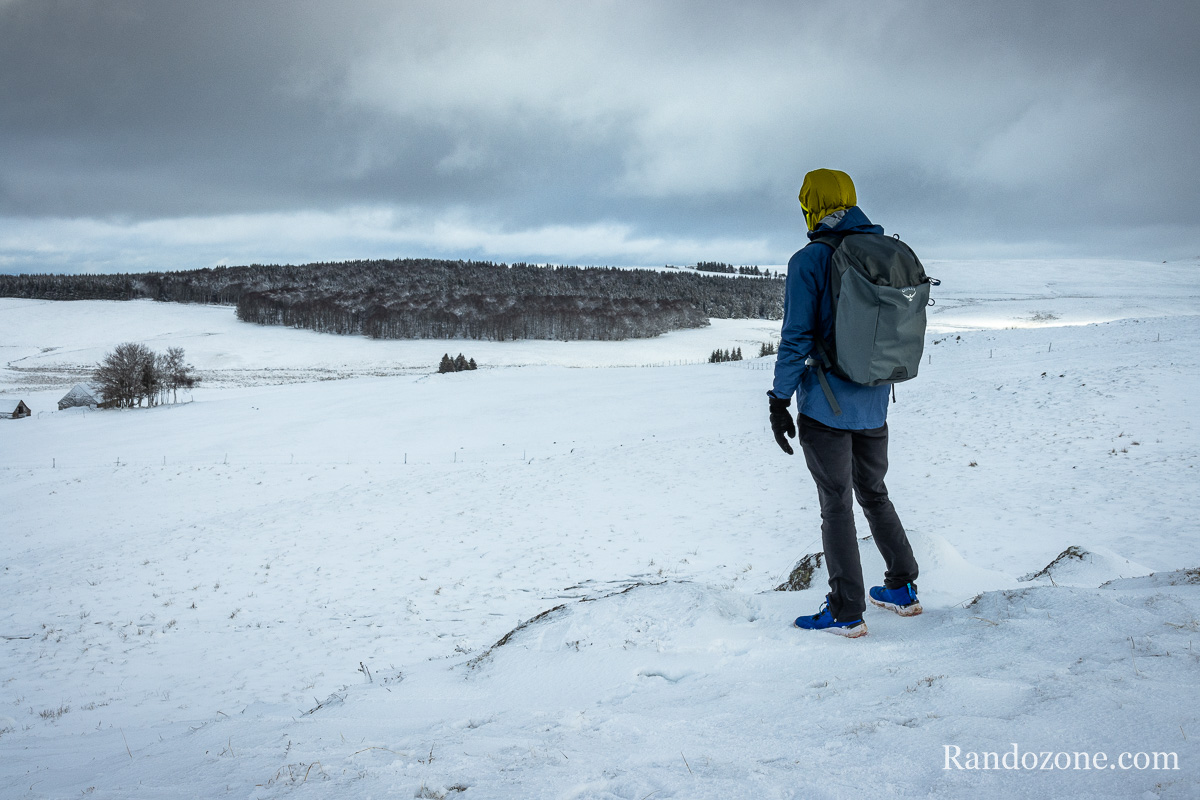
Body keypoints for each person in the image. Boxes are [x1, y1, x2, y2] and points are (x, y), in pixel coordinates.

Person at [768, 168, 921, 638]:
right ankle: (901, 587)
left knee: (835, 503)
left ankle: (846, 610)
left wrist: (779, 399)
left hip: (827, 406)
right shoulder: (887, 252)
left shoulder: (809, 260)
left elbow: (796, 337)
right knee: (874, 492)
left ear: (810, 205)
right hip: (876, 400)